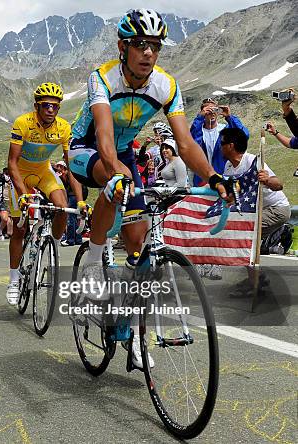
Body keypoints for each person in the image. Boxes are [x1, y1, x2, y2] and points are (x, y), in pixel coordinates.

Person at [68, 9, 236, 370]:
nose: (148, 53)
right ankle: (93, 268)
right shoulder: (103, 78)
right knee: (112, 181)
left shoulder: (167, 85)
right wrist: (117, 170)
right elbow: (104, 135)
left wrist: (213, 178)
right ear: (122, 47)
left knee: (139, 246)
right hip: (88, 148)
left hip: (124, 153)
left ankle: (134, 336)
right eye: (140, 44)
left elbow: (186, 145)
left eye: (155, 46)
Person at [6, 82, 81, 305]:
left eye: (55, 107)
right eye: (46, 105)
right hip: (21, 172)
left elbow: (72, 168)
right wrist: (21, 193)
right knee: (19, 229)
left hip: (44, 171)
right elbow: (11, 163)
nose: (50, 110)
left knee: (62, 207)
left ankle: (52, 247)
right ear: (37, 106)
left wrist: (82, 200)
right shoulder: (23, 123)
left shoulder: (64, 128)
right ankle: (13, 280)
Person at [222, 127, 291, 239]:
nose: (220, 147)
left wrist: (267, 180)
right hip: (254, 209)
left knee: (241, 230)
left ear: (230, 146)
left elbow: (279, 185)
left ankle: (275, 235)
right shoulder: (228, 166)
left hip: (275, 208)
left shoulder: (252, 161)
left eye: (222, 143)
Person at [190, 97, 249, 186]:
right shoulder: (198, 130)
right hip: (202, 179)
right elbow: (192, 142)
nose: (212, 113)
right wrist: (199, 118)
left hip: (223, 177)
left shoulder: (224, 130)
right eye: (208, 110)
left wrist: (230, 117)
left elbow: (244, 136)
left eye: (215, 110)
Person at [55, 161, 86, 247]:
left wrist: (62, 177)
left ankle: (70, 240)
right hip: (76, 196)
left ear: (64, 168)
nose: (58, 169)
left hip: (73, 197)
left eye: (60, 167)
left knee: (71, 218)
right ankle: (78, 239)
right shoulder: (70, 173)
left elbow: (68, 186)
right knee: (75, 218)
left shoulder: (68, 174)